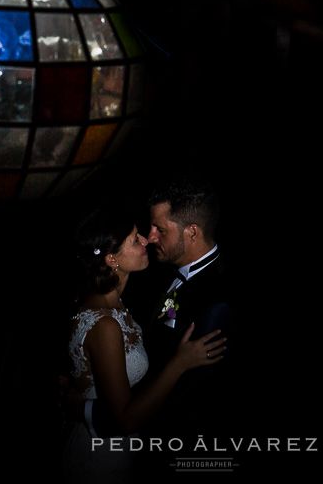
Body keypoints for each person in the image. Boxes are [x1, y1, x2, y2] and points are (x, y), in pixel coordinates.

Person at [61, 208, 226, 483]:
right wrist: (180, 362)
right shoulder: (105, 324)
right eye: (135, 239)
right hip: (103, 458)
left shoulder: (110, 302)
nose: (147, 240)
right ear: (112, 259)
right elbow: (124, 419)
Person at [85, 176, 239, 444]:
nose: (150, 237)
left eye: (160, 229)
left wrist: (88, 411)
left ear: (192, 232)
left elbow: (185, 398)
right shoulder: (164, 273)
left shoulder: (218, 302)